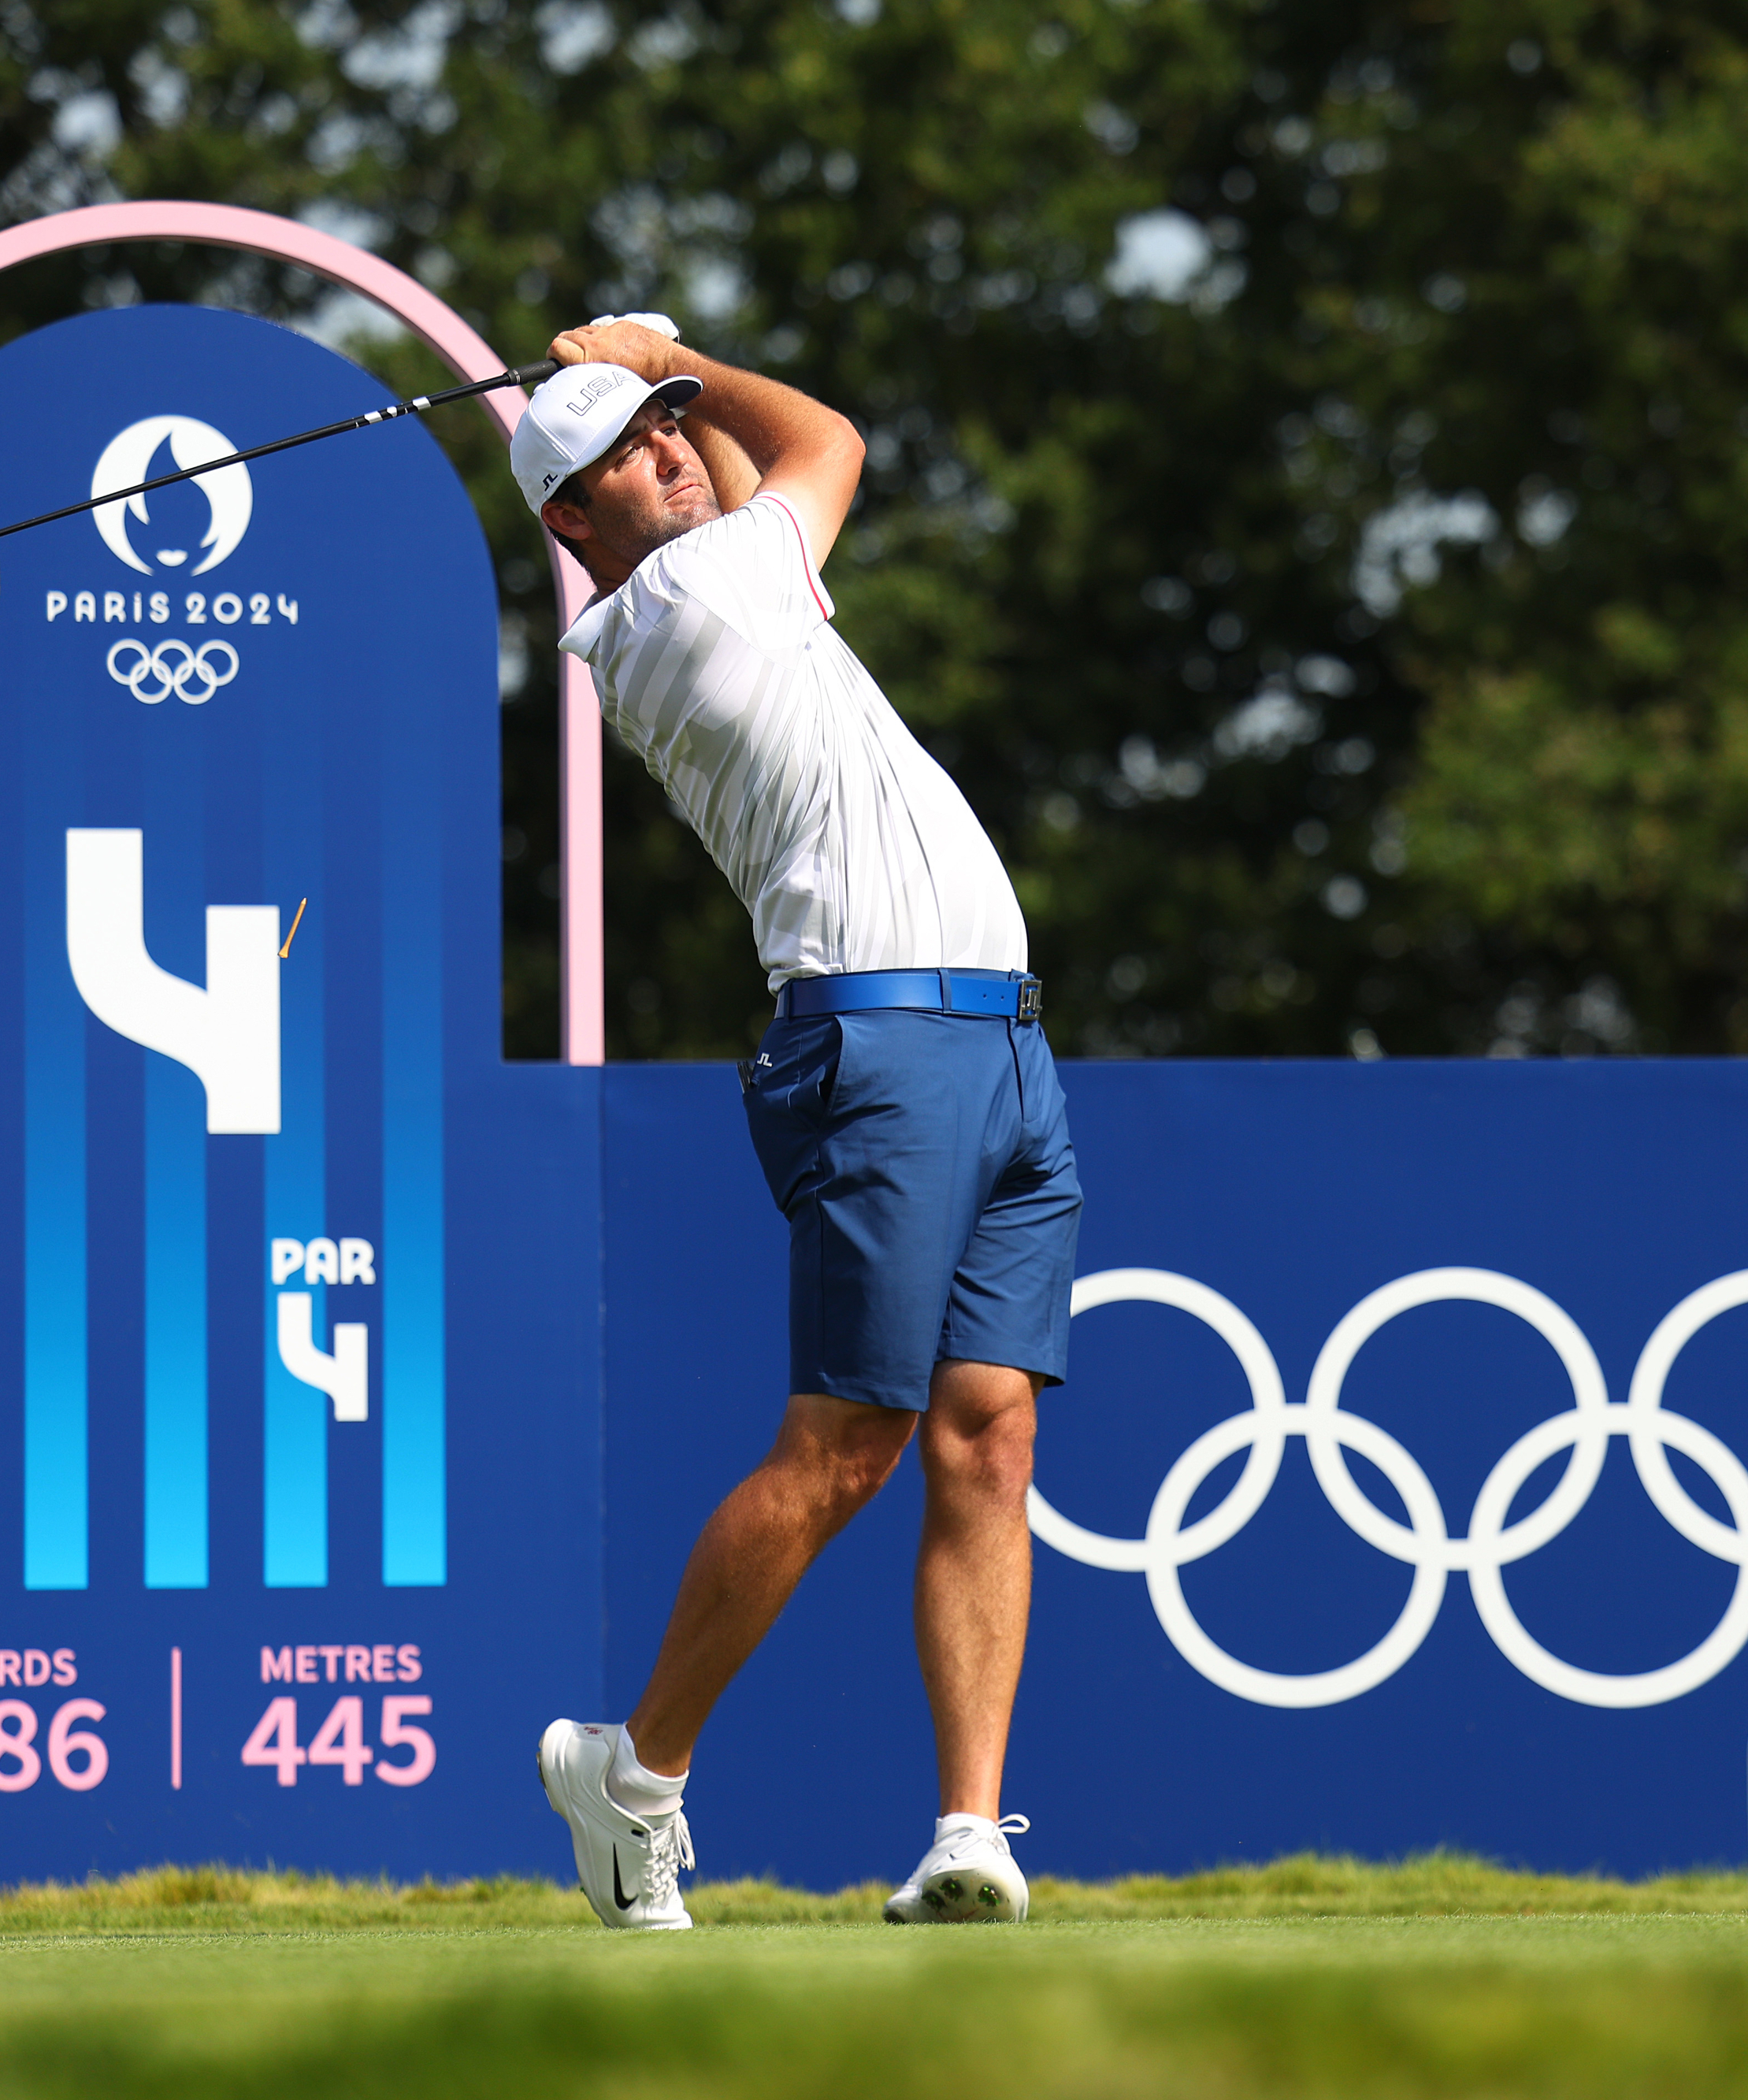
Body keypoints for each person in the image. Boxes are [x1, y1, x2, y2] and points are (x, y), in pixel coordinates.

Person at [519, 317, 1078, 1931]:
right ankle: (632, 1777)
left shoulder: (743, 582)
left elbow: (775, 478)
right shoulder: (684, 600)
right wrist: (669, 344)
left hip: (997, 1035)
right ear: (576, 521)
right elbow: (827, 439)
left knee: (989, 1431)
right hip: (880, 1042)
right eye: (632, 448)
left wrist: (666, 386)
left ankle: (969, 1829)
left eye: (672, 425)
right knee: (846, 1447)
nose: (673, 449)